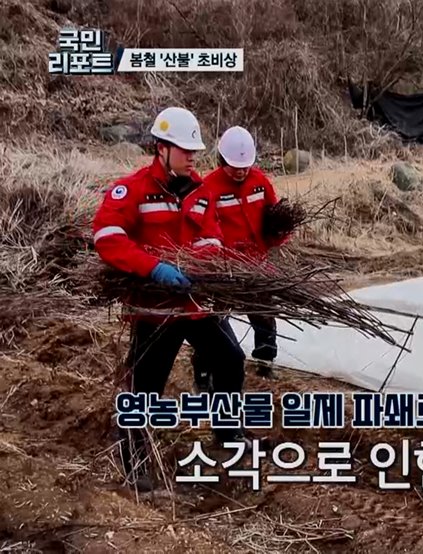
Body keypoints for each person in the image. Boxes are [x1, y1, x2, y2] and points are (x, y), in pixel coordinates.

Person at [91, 107, 248, 492]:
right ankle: (135, 459)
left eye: (195, 149)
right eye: (184, 149)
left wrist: (203, 262)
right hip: (156, 308)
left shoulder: (200, 191)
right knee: (145, 386)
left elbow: (212, 236)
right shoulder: (132, 190)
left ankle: (229, 433)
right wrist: (154, 268)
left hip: (194, 303)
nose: (193, 156)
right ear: (161, 148)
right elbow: (107, 237)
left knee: (230, 358)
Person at [190, 126, 287, 387]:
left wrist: (279, 233)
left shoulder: (260, 182)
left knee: (264, 316)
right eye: (235, 166)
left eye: (245, 166)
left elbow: (272, 218)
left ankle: (265, 365)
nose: (241, 171)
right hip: (223, 268)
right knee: (214, 323)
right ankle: (202, 372)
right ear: (222, 160)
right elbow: (202, 228)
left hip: (256, 264)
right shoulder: (208, 187)